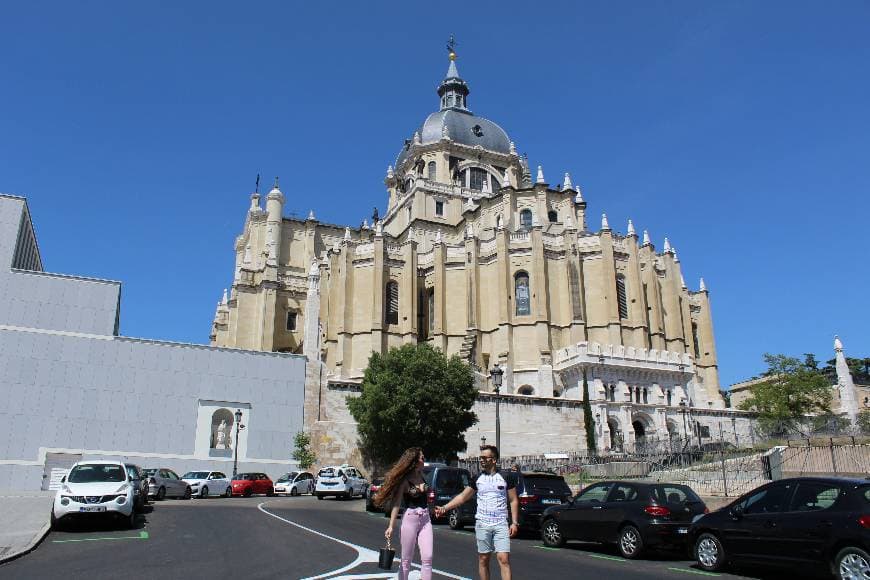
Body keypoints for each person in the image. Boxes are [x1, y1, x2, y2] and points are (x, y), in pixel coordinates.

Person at [435, 445, 519, 580]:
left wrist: (514, 522)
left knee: (503, 558)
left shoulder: (505, 476)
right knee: (483, 558)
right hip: (482, 523)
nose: (482, 460)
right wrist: (445, 508)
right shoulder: (477, 478)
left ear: (494, 459)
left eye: (485, 458)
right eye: (481, 458)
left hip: (501, 523)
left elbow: (514, 500)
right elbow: (462, 497)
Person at [375, 447, 433, 580]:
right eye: (422, 458)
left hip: (425, 519)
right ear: (414, 461)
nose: (424, 460)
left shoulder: (423, 477)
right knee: (406, 560)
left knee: (428, 558)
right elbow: (396, 503)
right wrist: (391, 526)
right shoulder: (405, 481)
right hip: (410, 519)